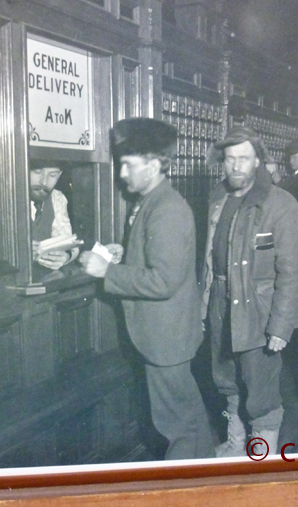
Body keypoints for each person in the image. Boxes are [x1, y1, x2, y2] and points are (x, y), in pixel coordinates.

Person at [80, 118, 214, 461]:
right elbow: (158, 260)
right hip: (163, 336)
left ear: (153, 166)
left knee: (179, 426)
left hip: (166, 338)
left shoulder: (166, 208)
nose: (122, 173)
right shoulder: (151, 201)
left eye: (128, 165)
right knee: (184, 419)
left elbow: (164, 281)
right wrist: (126, 256)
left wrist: (108, 272)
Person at [202, 127, 298, 457]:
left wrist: (280, 326)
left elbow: (292, 271)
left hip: (259, 313)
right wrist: (203, 309)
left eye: (243, 158)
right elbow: (207, 259)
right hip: (222, 305)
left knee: (260, 390)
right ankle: (236, 445)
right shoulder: (218, 198)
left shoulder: (281, 204)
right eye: (230, 159)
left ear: (258, 161)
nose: (235, 166)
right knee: (227, 380)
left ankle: (261, 456)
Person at [29, 159, 78, 276]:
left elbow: (68, 242)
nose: (44, 182)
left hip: (45, 281)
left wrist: (66, 257)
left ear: (59, 175)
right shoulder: (4, 197)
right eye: (37, 172)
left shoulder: (57, 198)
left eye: (52, 175)